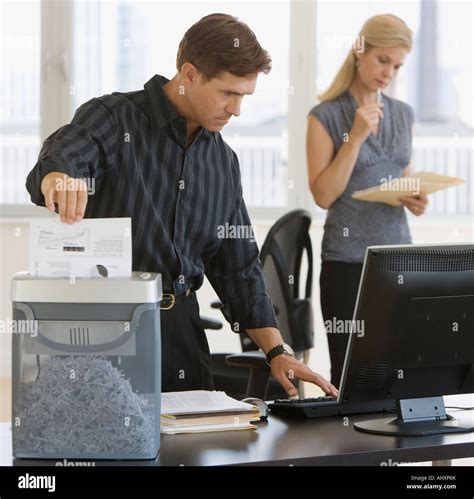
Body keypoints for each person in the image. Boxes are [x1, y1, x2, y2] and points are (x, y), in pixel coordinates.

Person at [26, 13, 338, 398]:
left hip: (182, 337)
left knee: (188, 452)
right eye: (228, 93)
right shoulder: (114, 116)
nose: (237, 109)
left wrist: (277, 351)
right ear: (189, 74)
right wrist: (59, 176)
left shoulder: (223, 163)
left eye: (245, 96)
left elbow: (239, 271)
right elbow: (65, 153)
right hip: (105, 331)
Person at [306, 14, 428, 387]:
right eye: (382, 61)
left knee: (402, 375)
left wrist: (414, 198)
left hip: (398, 261)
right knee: (354, 377)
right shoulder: (324, 116)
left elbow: (401, 180)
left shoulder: (403, 115)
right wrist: (355, 138)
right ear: (360, 52)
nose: (388, 72)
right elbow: (324, 195)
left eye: (397, 65)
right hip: (348, 265)